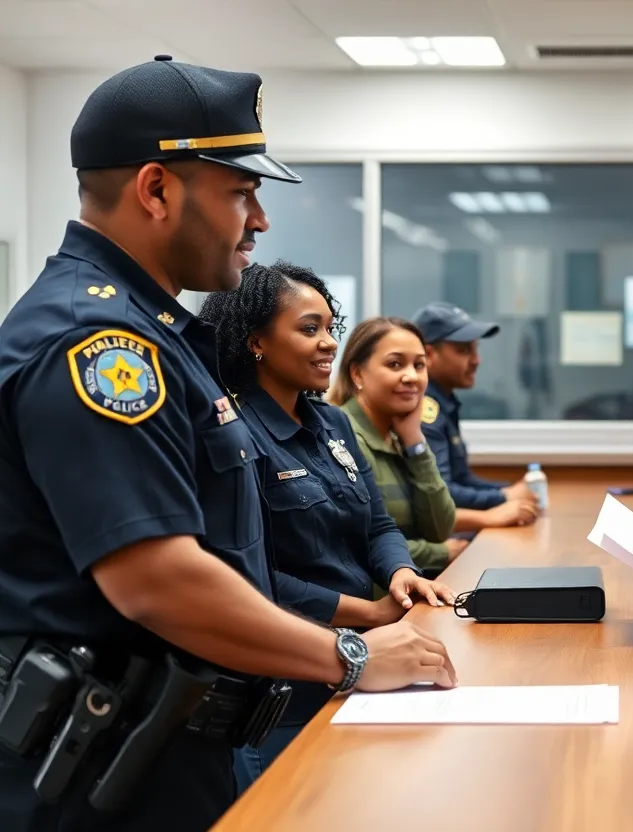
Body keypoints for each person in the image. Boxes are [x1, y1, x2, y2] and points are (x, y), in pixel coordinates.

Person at [0, 58, 454, 832]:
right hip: (94, 769)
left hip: (165, 745)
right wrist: (349, 657)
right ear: (156, 190)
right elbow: (157, 579)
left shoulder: (164, 334)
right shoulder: (100, 343)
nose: (260, 221)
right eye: (242, 194)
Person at [197, 261, 457, 790]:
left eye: (330, 329)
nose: (328, 344)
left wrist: (401, 573)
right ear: (256, 343)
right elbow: (253, 574)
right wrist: (369, 611)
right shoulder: (234, 432)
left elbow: (378, 524)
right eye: (308, 329)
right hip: (295, 676)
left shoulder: (331, 422)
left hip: (375, 655)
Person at [328, 317, 464, 575]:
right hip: (375, 601)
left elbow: (440, 527)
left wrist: (415, 443)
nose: (411, 376)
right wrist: (443, 553)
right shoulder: (343, 437)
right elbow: (359, 544)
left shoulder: (400, 435)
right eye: (395, 364)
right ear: (357, 373)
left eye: (419, 365)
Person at [412, 302, 539, 531]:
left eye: (475, 348)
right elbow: (443, 489)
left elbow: (463, 478)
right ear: (429, 354)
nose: (476, 360)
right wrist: (502, 497)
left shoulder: (444, 401)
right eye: (463, 350)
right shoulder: (424, 410)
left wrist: (506, 491)